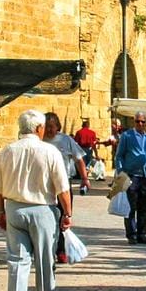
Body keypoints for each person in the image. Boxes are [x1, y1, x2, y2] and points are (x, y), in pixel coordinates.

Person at [0, 109, 71, 291]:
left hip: (14, 209)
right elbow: (62, 188)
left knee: (17, 260)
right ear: (38, 128)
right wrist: (67, 213)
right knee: (45, 260)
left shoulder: (7, 151)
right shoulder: (49, 151)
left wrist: (0, 212)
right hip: (42, 210)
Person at [43, 112, 90, 263]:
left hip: (63, 184)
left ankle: (61, 250)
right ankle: (46, 250)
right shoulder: (39, 141)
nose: (49, 130)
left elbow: (79, 159)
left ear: (57, 126)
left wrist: (84, 179)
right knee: (45, 218)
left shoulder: (66, 140)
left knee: (64, 217)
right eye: (46, 126)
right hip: (44, 185)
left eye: (52, 126)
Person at [113, 112, 146, 244]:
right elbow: (119, 156)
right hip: (131, 176)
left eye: (142, 121)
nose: (140, 124)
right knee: (131, 206)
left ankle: (142, 234)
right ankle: (131, 234)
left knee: (145, 207)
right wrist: (121, 173)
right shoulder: (127, 136)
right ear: (134, 122)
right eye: (137, 121)